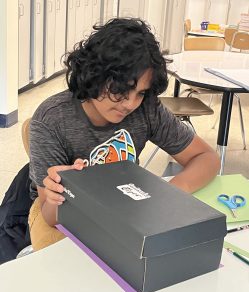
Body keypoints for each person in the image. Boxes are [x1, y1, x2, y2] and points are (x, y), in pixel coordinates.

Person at [28, 18, 220, 251]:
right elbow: (51, 215)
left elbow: (206, 158)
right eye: (121, 89)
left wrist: (171, 194)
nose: (130, 104)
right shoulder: (51, 120)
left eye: (140, 92)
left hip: (128, 210)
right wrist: (65, 189)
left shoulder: (146, 108)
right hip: (71, 214)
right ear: (95, 74)